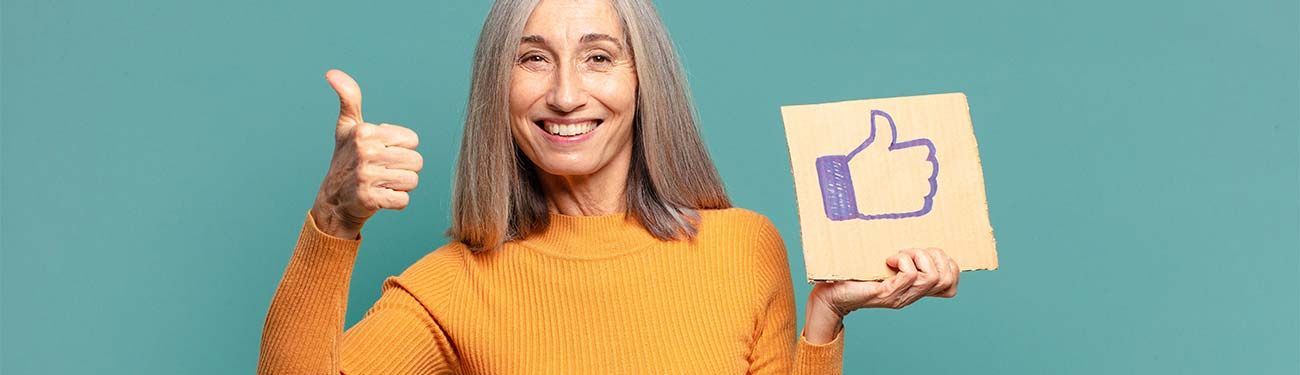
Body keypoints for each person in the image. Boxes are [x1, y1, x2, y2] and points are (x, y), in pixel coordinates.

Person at [257, 0, 960, 373]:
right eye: (533, 59)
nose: (566, 93)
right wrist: (333, 221)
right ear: (496, 89)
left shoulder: (745, 246)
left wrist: (825, 321)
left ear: (641, 80)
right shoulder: (450, 287)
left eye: (598, 57)